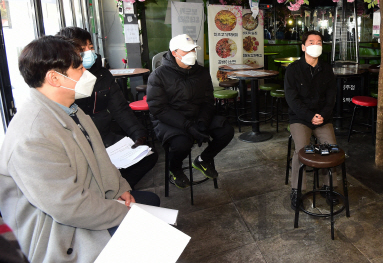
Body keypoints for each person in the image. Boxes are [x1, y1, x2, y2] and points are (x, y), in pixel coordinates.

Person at [0, 36, 159, 263]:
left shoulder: (70, 108)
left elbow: (100, 158)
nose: (87, 74)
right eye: (79, 68)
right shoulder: (32, 136)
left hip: (88, 201)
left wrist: (119, 188)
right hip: (58, 234)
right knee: (150, 233)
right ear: (54, 78)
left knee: (151, 206)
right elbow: (68, 207)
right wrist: (124, 213)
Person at [57, 26, 158, 189]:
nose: (89, 53)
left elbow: (120, 108)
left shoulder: (103, 75)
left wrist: (138, 133)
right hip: (80, 144)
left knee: (148, 157)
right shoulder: (61, 81)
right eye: (81, 50)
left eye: (90, 47)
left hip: (104, 136)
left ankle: (117, 191)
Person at [147, 34, 234, 188]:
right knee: (182, 143)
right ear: (174, 53)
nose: (192, 54)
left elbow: (208, 101)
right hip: (170, 119)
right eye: (186, 51)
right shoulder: (158, 75)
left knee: (226, 130)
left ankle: (203, 160)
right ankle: (175, 169)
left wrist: (202, 122)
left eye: (193, 49)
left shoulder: (201, 72)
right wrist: (188, 126)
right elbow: (158, 108)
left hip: (197, 116)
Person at [285, 30, 338, 209]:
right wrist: (309, 116)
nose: (315, 45)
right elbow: (292, 100)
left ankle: (329, 187)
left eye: (319, 42)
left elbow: (331, 97)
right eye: (311, 42)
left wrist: (322, 115)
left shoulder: (327, 69)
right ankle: (296, 190)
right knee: (301, 150)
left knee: (331, 148)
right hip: (300, 117)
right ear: (303, 46)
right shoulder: (292, 70)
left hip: (323, 117)